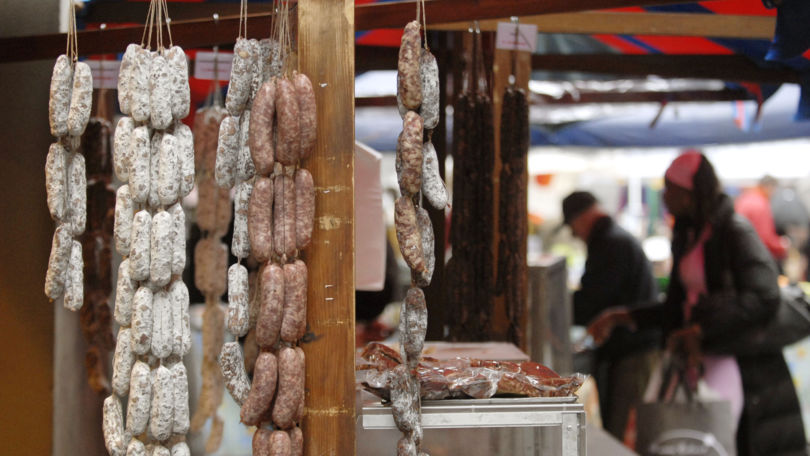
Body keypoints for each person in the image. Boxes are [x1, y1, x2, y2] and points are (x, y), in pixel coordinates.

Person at [589, 151, 806, 456]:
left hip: (745, 366)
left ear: (689, 193)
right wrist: (624, 316)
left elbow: (764, 295)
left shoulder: (734, 231)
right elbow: (680, 305)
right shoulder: (688, 234)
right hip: (704, 359)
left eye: (669, 187)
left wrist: (701, 331)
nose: (664, 196)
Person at [561, 191, 660, 440]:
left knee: (622, 428)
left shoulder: (610, 242)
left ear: (581, 218)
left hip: (634, 352)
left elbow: (592, 301)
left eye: (573, 228)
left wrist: (557, 308)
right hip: (632, 349)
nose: (574, 235)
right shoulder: (613, 238)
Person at [735, 175, 788, 264]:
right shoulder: (761, 204)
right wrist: (782, 245)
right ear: (769, 187)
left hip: (740, 253)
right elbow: (765, 238)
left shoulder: (745, 198)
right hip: (753, 257)